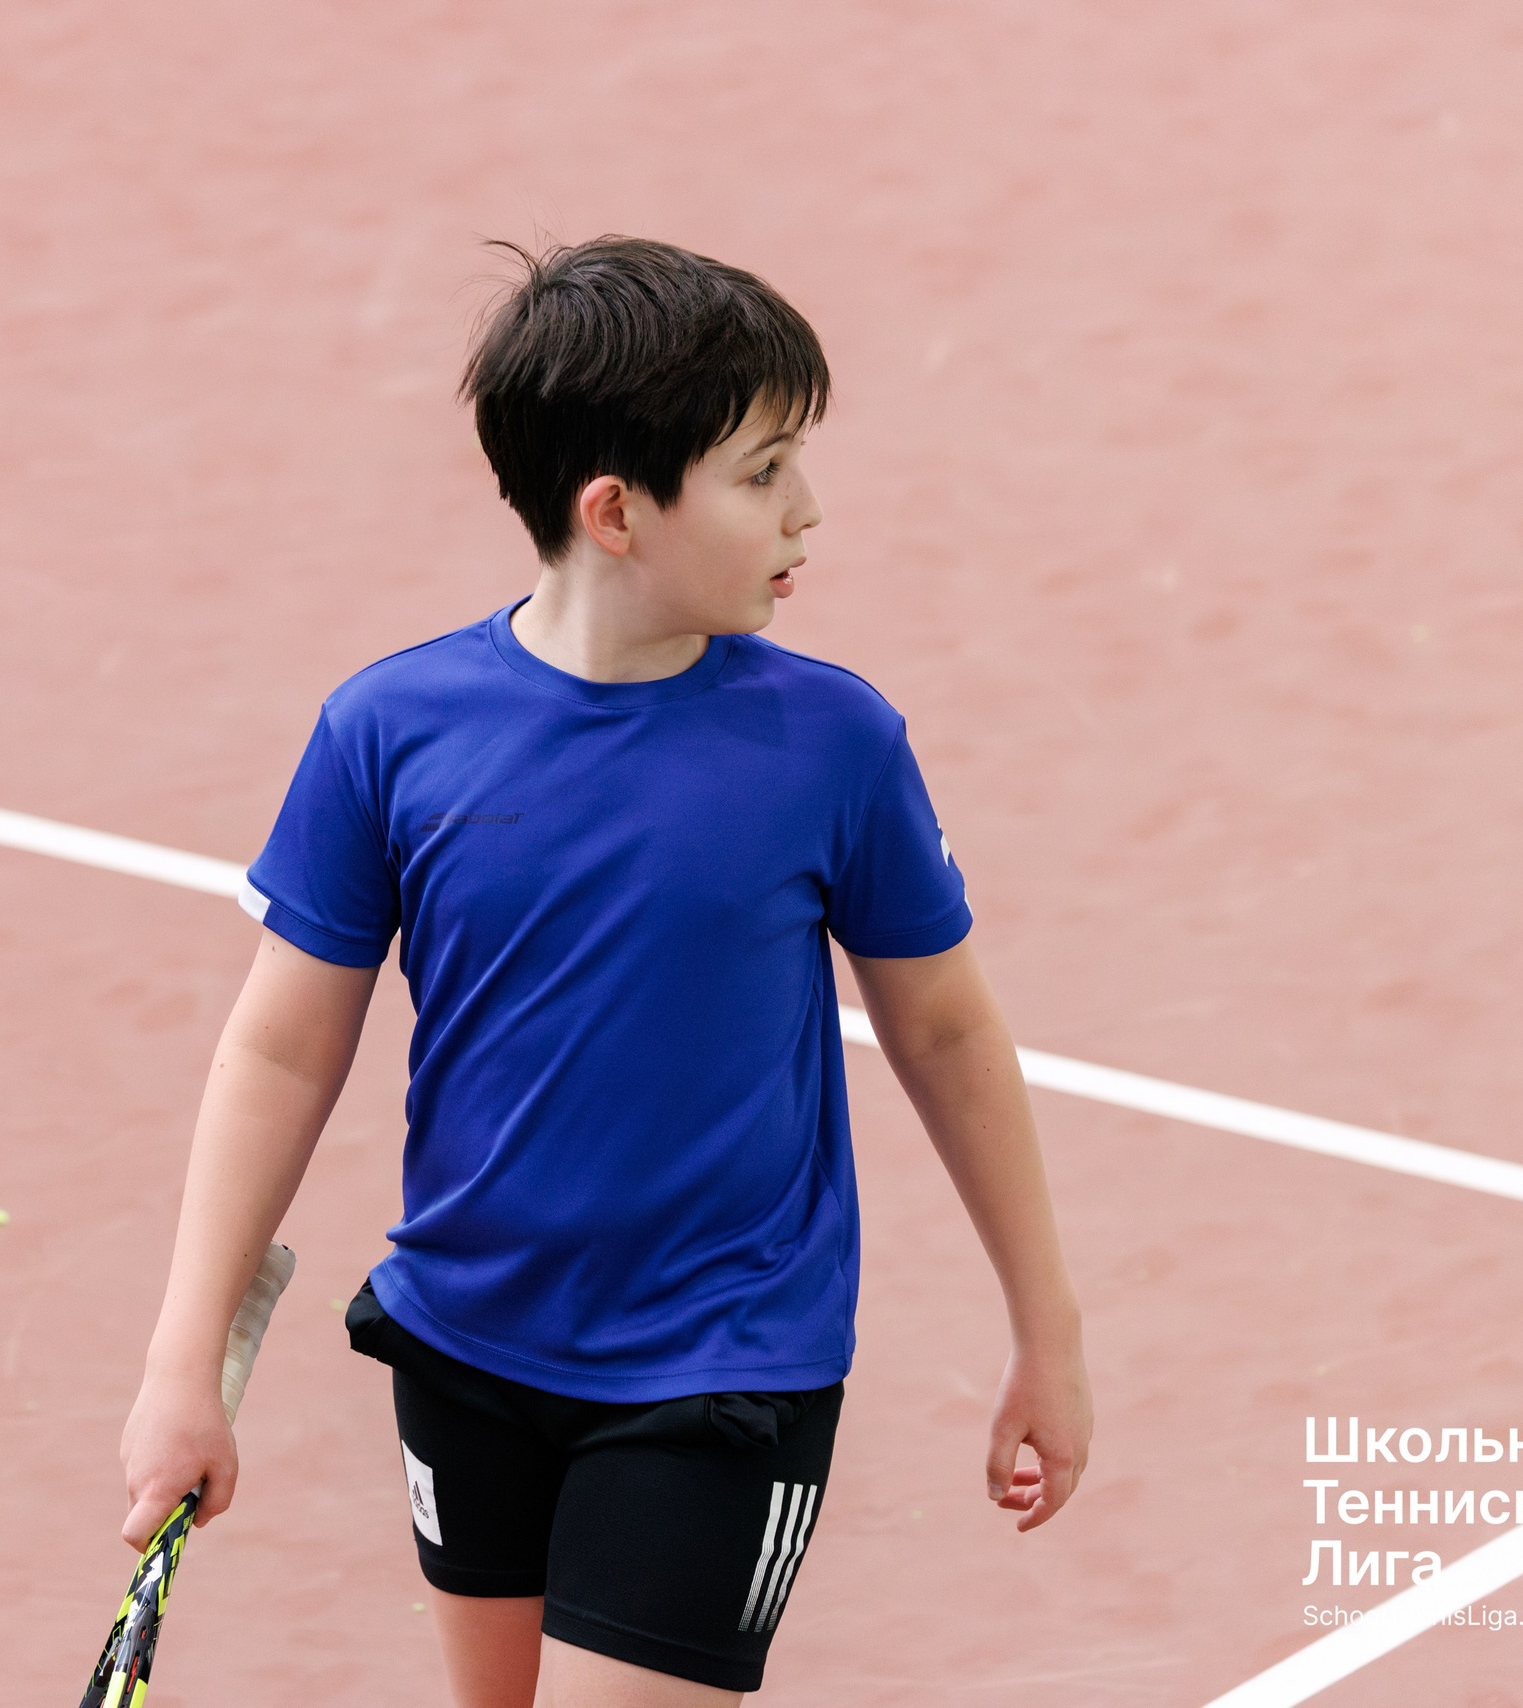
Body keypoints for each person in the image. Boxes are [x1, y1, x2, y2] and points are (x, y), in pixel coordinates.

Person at [119, 236, 1091, 1707]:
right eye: (764, 472)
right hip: (470, 1346)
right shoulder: (391, 733)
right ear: (615, 511)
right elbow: (281, 1052)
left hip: (720, 1363)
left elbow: (946, 1032)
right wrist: (182, 1365)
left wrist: (1049, 1331)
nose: (808, 510)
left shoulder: (832, 746)